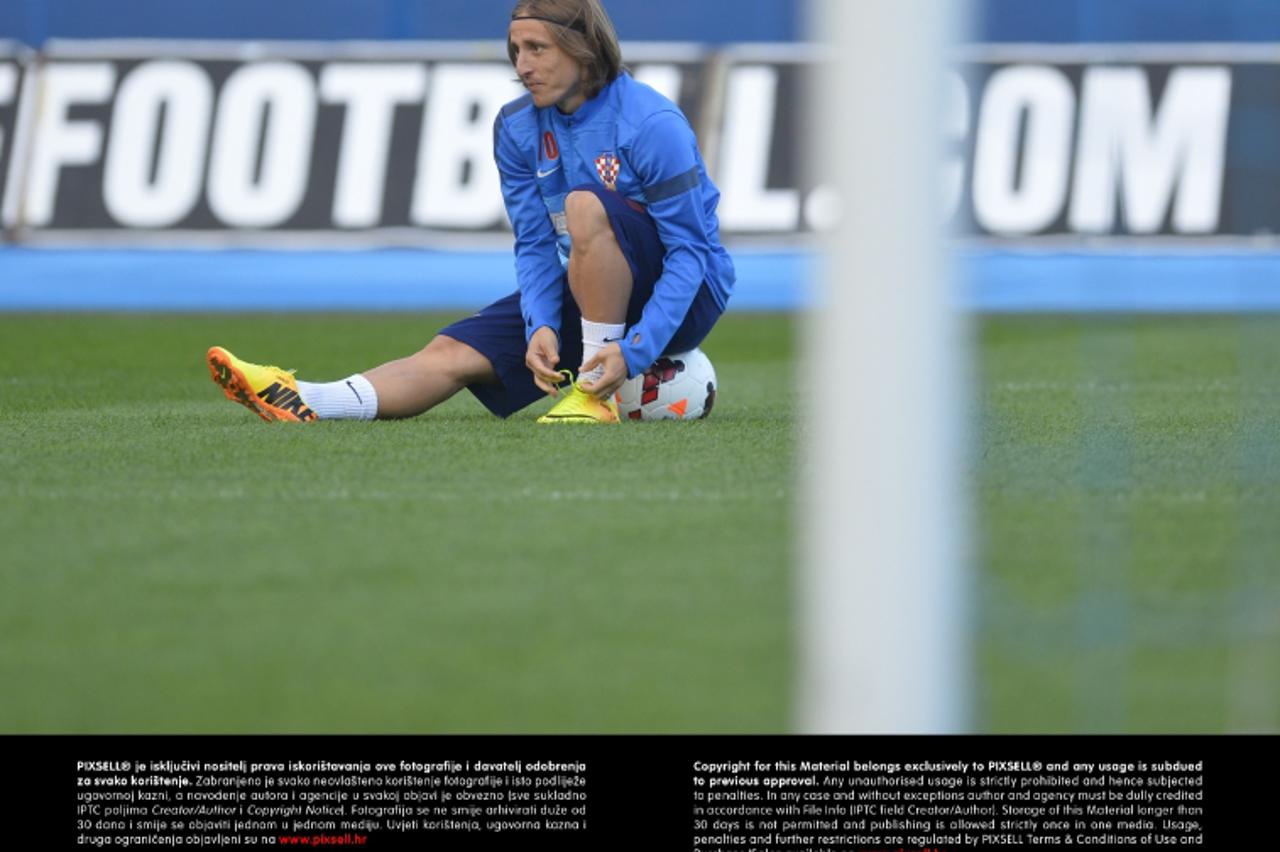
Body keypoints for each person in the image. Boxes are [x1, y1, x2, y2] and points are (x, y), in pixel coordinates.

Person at [208, 0, 734, 424]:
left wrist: (634, 353)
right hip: (595, 286)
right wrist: (541, 326)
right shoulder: (517, 129)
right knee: (451, 351)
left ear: (584, 49)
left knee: (583, 205)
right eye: (516, 50)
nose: (522, 65)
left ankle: (594, 398)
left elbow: (690, 253)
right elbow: (532, 243)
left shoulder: (650, 123)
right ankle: (303, 398)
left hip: (688, 295)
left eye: (537, 48)